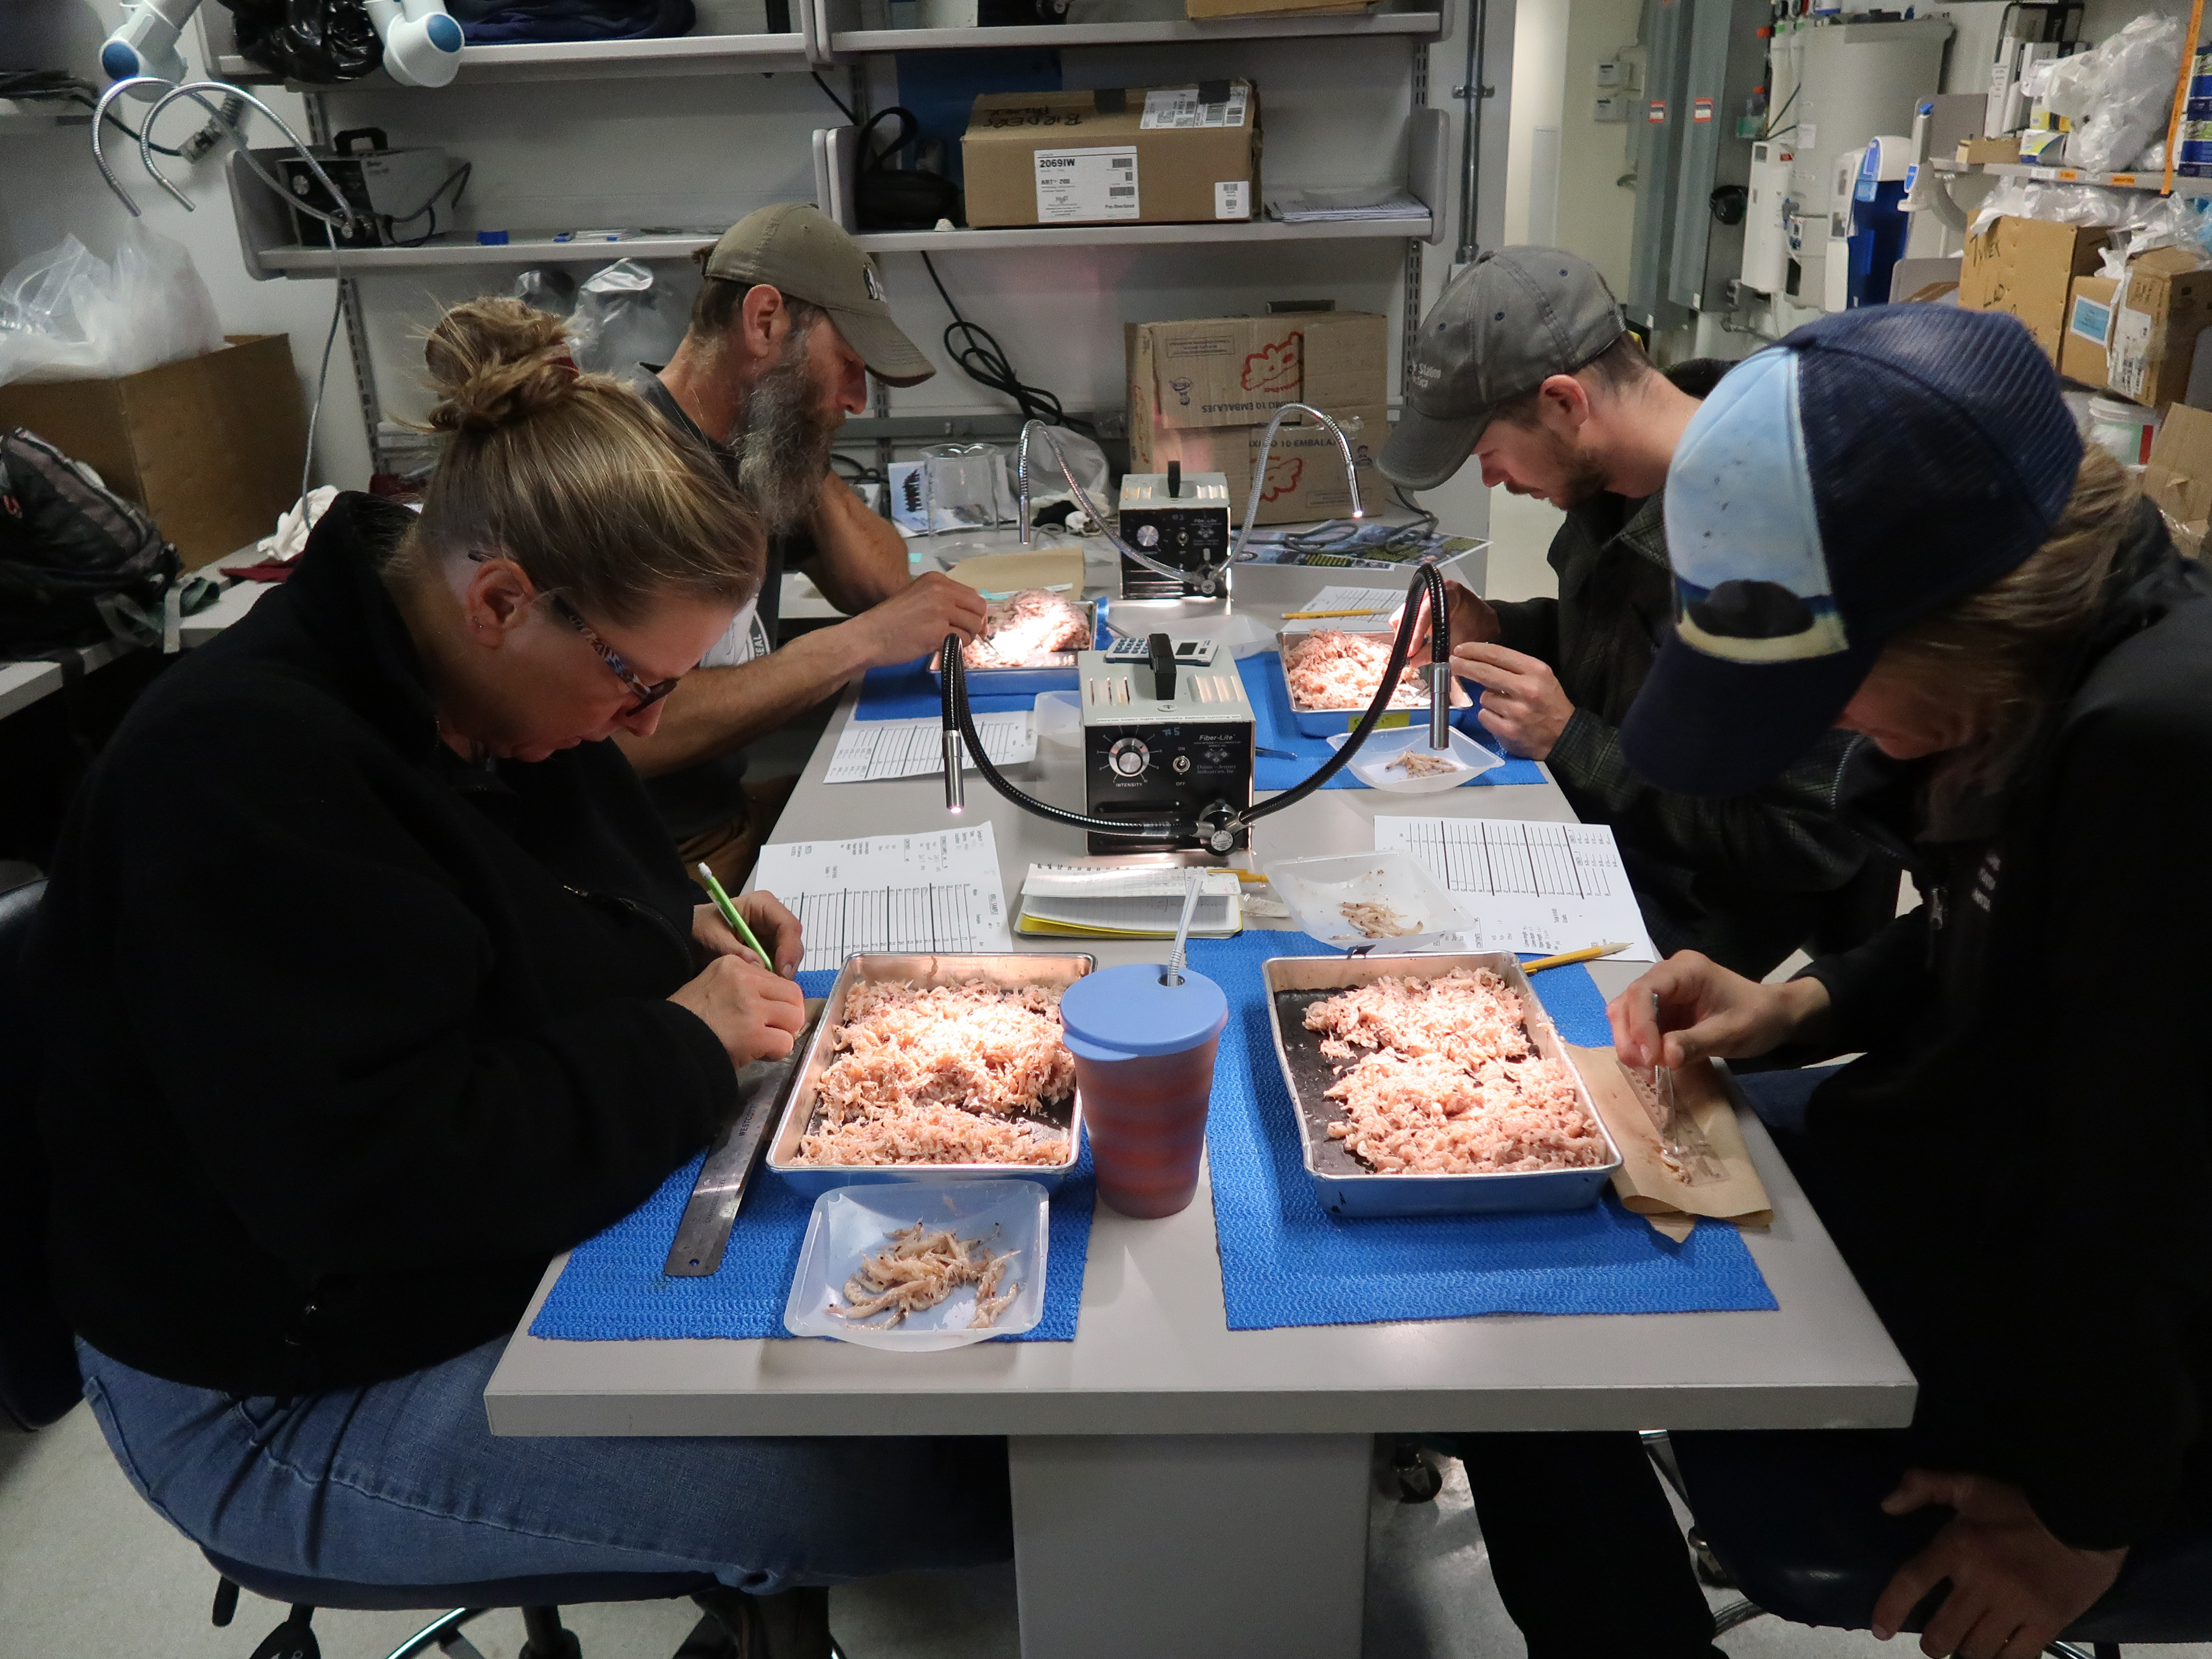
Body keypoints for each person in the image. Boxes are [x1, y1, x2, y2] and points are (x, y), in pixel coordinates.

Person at [30, 300, 1009, 1656]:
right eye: (633, 684)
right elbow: (369, 1173)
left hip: (439, 1261)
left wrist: (688, 938)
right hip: (282, 1385)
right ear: (500, 600)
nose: (651, 724)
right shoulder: (241, 779)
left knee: (962, 1384)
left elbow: (562, 899)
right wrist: (680, 1047)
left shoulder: (486, 690)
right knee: (933, 1476)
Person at [1460, 305, 2212, 1659]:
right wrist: (1801, 1005)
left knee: (1513, 1340)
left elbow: (2149, 1191)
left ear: (1960, 620)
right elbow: (2014, 934)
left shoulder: (2162, 746)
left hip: (2117, 1350)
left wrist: (2080, 1523)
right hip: (1966, 1156)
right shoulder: (2071, 668)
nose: (1834, 738)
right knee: (1505, 1245)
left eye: (1836, 698)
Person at [1380, 247, 1886, 976]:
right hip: (1596, 847)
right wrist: (1504, 627)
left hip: (1694, 941)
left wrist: (1573, 741)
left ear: (1564, 403)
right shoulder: (1619, 488)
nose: (1491, 478)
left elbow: (1807, 840)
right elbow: (1621, 656)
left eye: (1489, 451)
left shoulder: (1779, 537)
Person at [627, 203, 988, 884]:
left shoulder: (747, 453)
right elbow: (623, 734)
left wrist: (792, 426)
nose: (857, 399)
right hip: (657, 860)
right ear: (764, 322)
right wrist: (859, 643)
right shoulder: (632, 472)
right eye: (848, 365)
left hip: (724, 818)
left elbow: (883, 587)